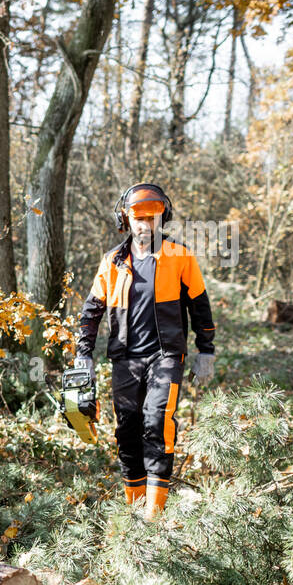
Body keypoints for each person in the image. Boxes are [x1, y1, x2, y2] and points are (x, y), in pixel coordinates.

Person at [74, 183, 216, 520]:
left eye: (151, 218)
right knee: (127, 428)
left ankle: (154, 514)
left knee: (157, 420)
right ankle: (134, 508)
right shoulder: (112, 262)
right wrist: (83, 355)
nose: (144, 225)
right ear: (127, 219)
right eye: (138, 218)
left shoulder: (180, 257)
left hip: (165, 355)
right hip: (125, 357)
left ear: (162, 218)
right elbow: (91, 312)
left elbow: (200, 307)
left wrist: (205, 350)